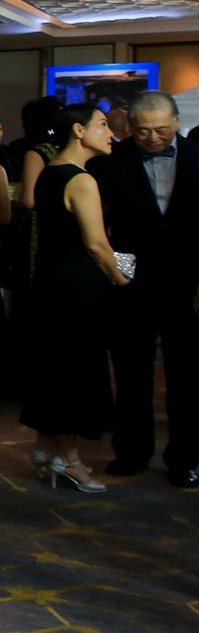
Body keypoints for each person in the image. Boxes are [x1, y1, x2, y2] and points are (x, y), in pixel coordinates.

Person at [88, 89, 199, 487]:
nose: (154, 138)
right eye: (145, 131)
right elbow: (105, 230)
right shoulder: (110, 164)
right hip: (131, 284)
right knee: (132, 374)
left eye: (162, 130)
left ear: (176, 123)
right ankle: (131, 451)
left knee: (187, 377)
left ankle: (185, 458)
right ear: (130, 128)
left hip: (186, 283)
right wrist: (122, 274)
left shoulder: (196, 157)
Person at [20, 103, 130, 492]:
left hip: (50, 284)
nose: (112, 133)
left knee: (55, 367)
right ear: (79, 130)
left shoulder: (50, 174)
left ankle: (47, 448)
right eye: (103, 125)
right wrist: (122, 279)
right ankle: (69, 459)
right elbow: (98, 245)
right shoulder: (81, 181)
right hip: (76, 288)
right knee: (73, 371)